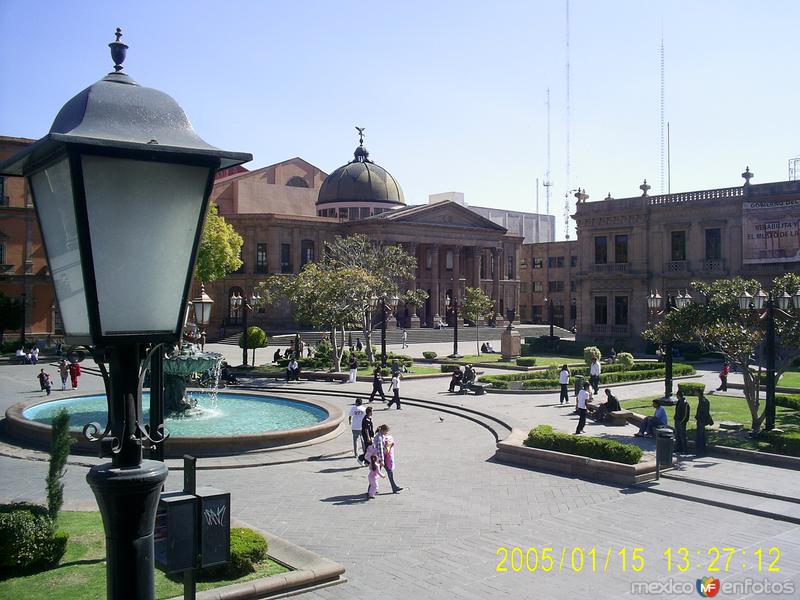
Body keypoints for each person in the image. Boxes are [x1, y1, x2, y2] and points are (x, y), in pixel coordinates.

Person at [377, 424, 402, 493]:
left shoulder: (381, 436)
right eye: (386, 431)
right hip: (380, 458)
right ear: (382, 430)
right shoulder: (379, 438)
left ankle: (394, 487)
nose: (386, 433)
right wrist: (382, 460)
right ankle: (371, 489)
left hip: (381, 458)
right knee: (376, 473)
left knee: (386, 472)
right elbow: (380, 450)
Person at [695, 391, 713, 456]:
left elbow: (703, 411)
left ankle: (701, 450)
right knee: (701, 434)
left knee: (700, 435)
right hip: (701, 420)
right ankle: (701, 449)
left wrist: (698, 417)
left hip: (701, 420)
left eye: (696, 392)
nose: (695, 393)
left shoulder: (703, 401)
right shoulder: (703, 400)